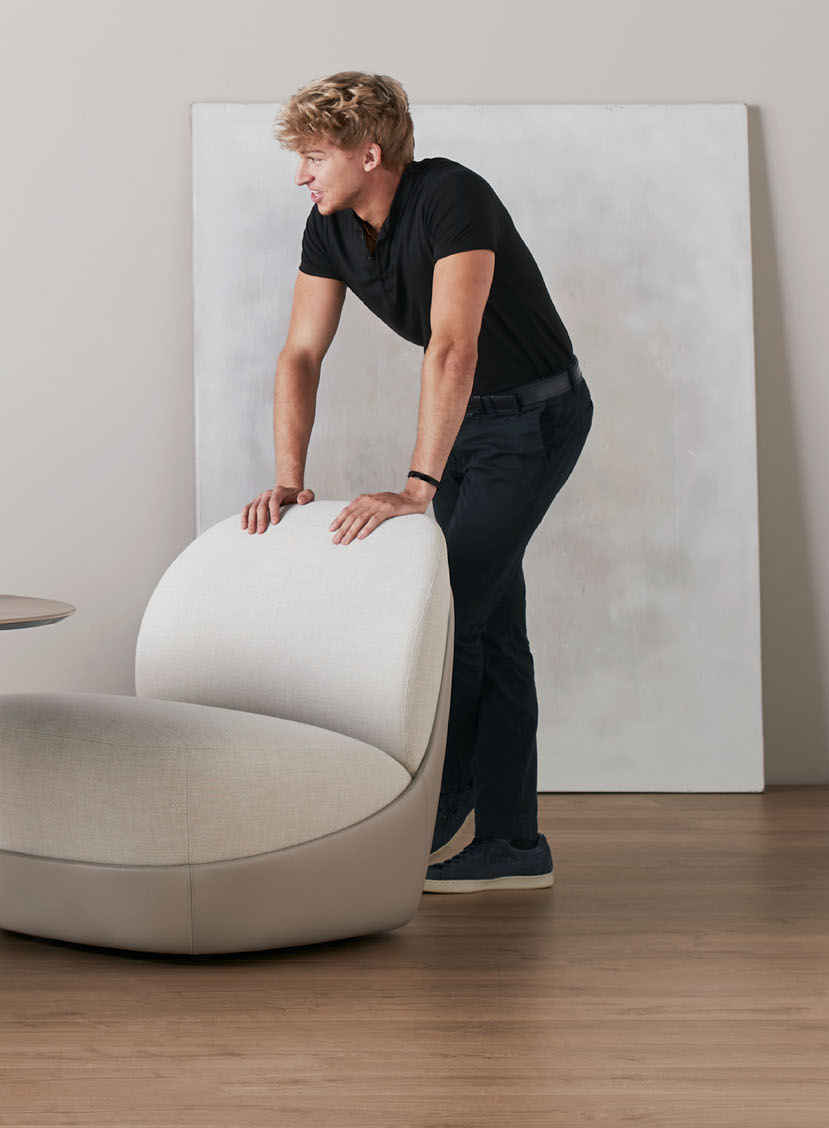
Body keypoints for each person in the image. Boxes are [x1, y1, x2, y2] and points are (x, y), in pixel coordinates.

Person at [241, 73, 593, 893]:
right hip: (465, 421)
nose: (300, 174)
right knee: (490, 623)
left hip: (537, 418)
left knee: (454, 612)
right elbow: (300, 354)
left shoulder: (453, 197)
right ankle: (512, 842)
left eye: (314, 156)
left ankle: (430, 809)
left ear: (369, 155)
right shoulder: (328, 226)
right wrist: (290, 480)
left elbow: (453, 346)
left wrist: (416, 488)